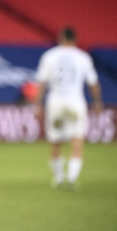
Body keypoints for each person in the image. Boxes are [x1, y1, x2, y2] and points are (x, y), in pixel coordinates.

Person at [34, 26, 103, 189]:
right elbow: (93, 84)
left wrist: (37, 104)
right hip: (75, 102)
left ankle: (59, 179)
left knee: (56, 141)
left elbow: (41, 83)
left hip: (55, 101)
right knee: (77, 139)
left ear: (60, 38)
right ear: (75, 39)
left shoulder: (49, 56)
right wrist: (97, 102)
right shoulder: (83, 57)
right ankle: (72, 179)